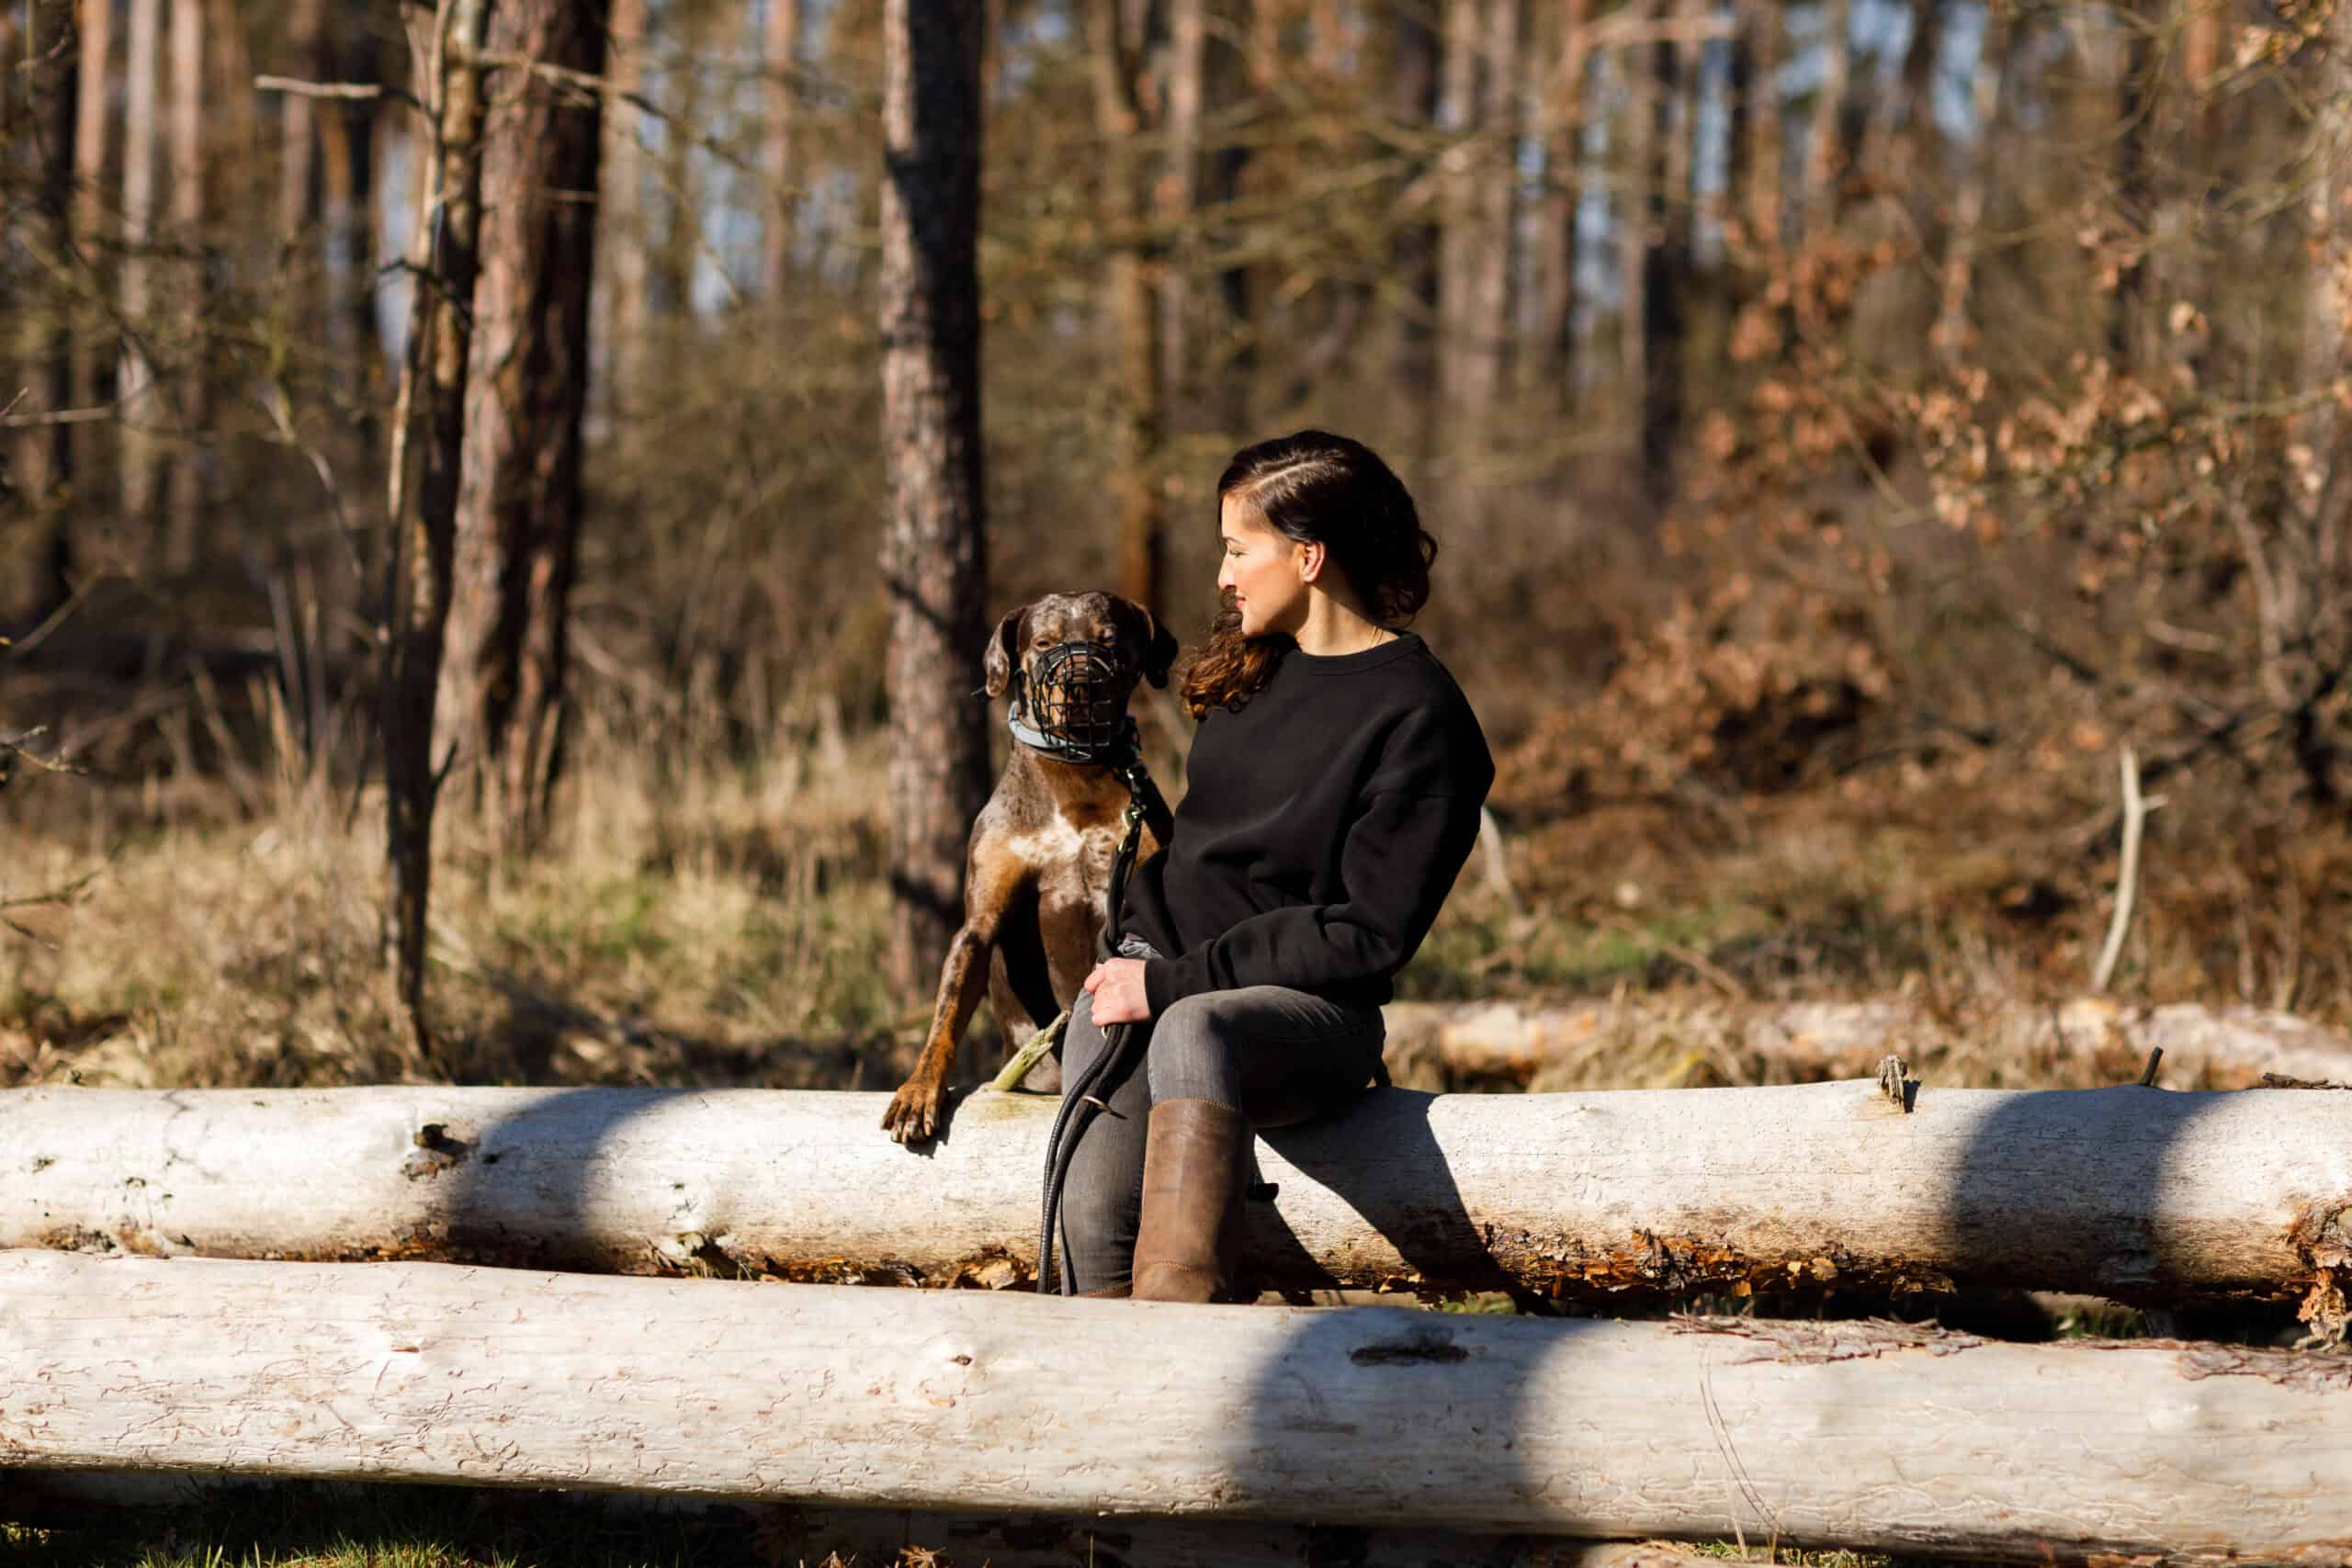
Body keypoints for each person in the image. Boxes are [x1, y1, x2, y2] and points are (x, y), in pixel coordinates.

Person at [1057, 428, 1494, 1301]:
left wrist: (1178, 985)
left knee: (1195, 1026)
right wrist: (1141, 960)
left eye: (1236, 549)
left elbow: (1368, 935)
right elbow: (1204, 862)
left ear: (1307, 556)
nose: (1222, 575)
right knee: (1097, 1226)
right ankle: (1097, 1407)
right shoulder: (1251, 673)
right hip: (1152, 978)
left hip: (1307, 1015)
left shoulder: (1422, 715)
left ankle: (1194, 1355)